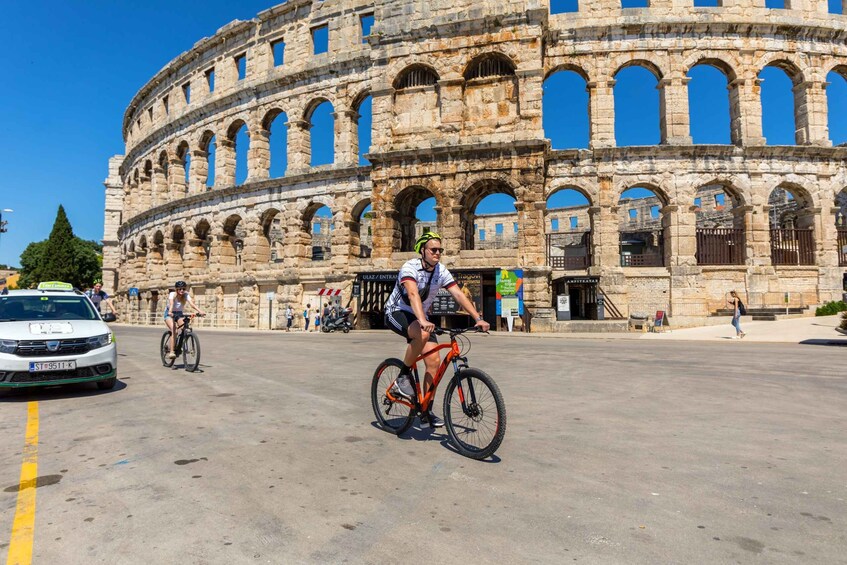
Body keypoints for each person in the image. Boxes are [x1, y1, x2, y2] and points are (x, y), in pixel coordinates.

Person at [384, 231, 490, 428]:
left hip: (420, 318)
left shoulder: (441, 271)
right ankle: (403, 377)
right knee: (422, 332)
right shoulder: (410, 267)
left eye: (440, 250)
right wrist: (423, 319)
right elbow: (413, 293)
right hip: (397, 312)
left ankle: (425, 410)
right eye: (433, 249)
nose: (437, 253)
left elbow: (458, 294)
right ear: (422, 250)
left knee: (433, 362)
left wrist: (478, 318)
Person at [164, 281, 206, 359]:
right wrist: (170, 312)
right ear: (176, 289)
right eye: (180, 289)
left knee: (185, 328)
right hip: (169, 313)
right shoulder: (172, 294)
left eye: (183, 288)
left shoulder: (186, 295)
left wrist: (200, 311)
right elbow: (172, 304)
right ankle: (172, 351)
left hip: (179, 313)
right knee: (175, 331)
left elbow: (192, 304)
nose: (182, 290)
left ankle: (181, 345)